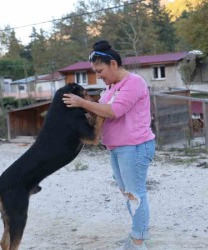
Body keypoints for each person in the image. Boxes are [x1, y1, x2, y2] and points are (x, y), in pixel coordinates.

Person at [62, 40, 156, 250]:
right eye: (95, 71)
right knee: (128, 194)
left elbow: (114, 111)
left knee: (135, 194)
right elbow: (100, 111)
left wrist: (82, 103)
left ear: (113, 64)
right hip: (117, 148)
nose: (98, 76)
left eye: (100, 70)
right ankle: (136, 236)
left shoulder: (134, 82)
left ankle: (138, 242)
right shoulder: (111, 87)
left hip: (135, 147)